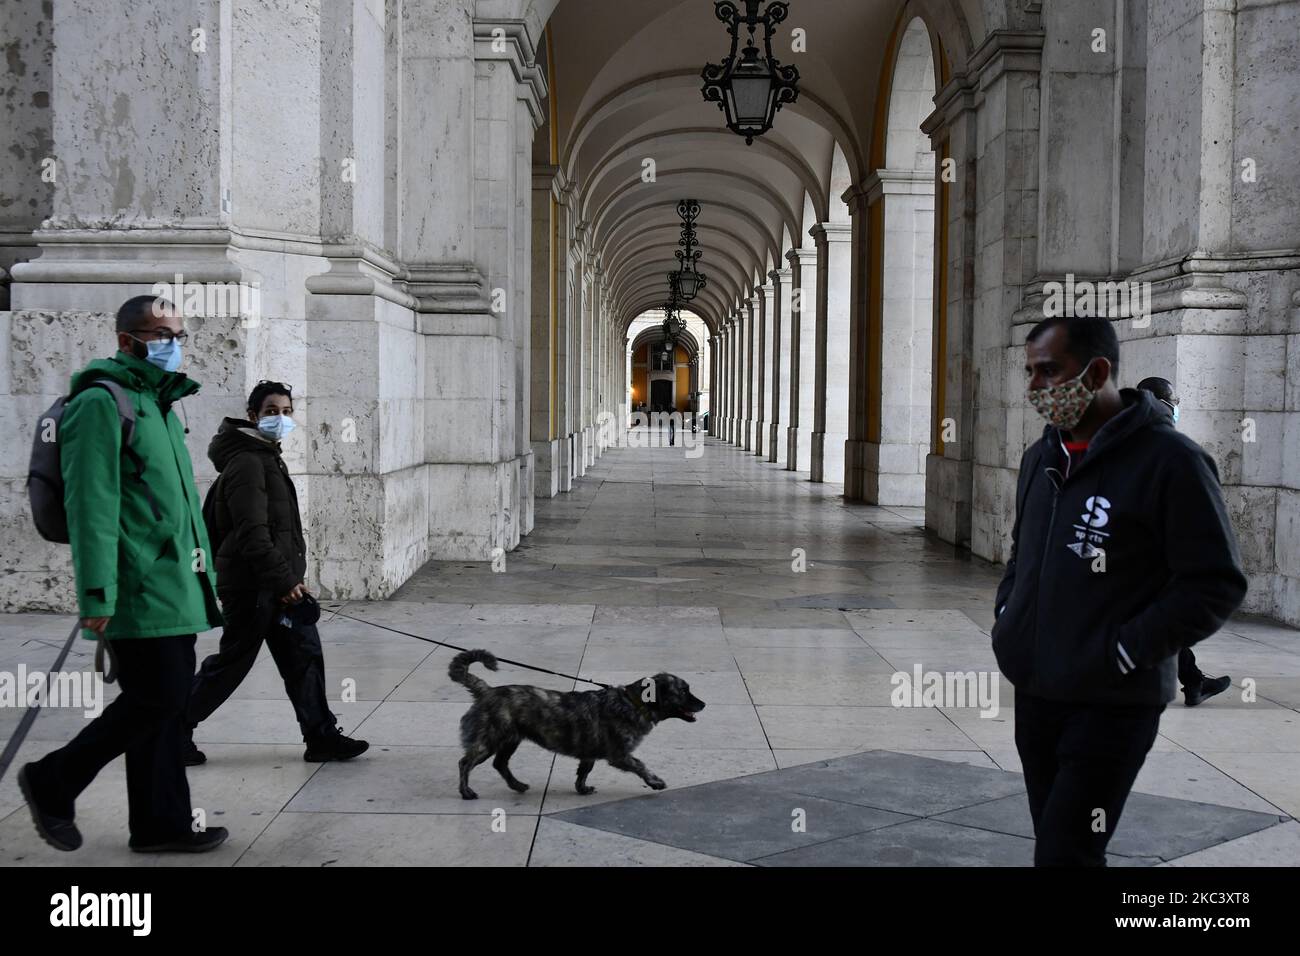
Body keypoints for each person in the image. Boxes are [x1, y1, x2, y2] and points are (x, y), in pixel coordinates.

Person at [993, 316, 1247, 866]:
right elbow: (1022, 552)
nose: (1035, 387)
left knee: (1066, 852)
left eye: (1048, 371)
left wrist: (1126, 650)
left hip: (1113, 702)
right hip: (1038, 690)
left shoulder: (1171, 461)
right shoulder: (1041, 458)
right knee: (1059, 846)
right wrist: (1009, 617)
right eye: (1030, 372)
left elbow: (1214, 581)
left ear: (1098, 371)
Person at [19, 295, 229, 853]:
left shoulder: (157, 402)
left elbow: (175, 505)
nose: (173, 344)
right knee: (157, 699)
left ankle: (161, 826)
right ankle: (52, 780)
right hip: (135, 588)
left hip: (173, 583)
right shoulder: (100, 402)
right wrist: (96, 593)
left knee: (163, 707)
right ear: (125, 339)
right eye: (160, 334)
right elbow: (93, 506)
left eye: (179, 334)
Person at [185, 381, 368, 764]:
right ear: (252, 415)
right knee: (230, 665)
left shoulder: (266, 457)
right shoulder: (249, 463)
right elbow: (253, 536)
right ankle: (169, 732)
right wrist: (284, 582)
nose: (281, 418)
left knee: (304, 656)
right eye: (271, 411)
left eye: (286, 411)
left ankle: (321, 737)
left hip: (278, 585)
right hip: (254, 589)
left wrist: (290, 581)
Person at [1135, 376, 1233, 707]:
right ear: (1161, 403)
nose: (1177, 408)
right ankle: (1191, 681)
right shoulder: (1168, 448)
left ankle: (1193, 680)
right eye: (1174, 402)